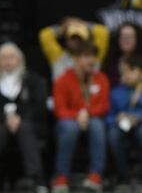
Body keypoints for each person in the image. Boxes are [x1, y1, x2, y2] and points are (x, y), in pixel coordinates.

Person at [0, 42, 48, 193]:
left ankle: (36, 179)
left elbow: (39, 107)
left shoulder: (33, 81)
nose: (7, 61)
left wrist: (19, 118)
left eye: (11, 57)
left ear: (20, 60)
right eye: (3, 58)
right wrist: (5, 119)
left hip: (29, 127)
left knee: (25, 128)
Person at [52, 41, 110, 193]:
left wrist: (87, 113)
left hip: (92, 119)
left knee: (97, 124)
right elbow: (59, 110)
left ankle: (96, 175)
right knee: (69, 127)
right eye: (86, 56)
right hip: (70, 121)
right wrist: (78, 115)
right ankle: (61, 176)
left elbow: (104, 106)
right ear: (75, 59)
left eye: (93, 56)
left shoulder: (101, 78)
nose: (91, 60)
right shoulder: (63, 80)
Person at [106, 54, 142, 192]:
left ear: (139, 71)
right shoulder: (115, 92)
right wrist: (116, 118)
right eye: (122, 71)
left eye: (128, 70)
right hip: (120, 125)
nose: (124, 75)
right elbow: (108, 116)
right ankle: (124, 176)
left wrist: (138, 117)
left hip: (139, 124)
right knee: (113, 135)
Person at [40, 17, 110, 82]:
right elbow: (45, 35)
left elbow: (103, 32)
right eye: (73, 38)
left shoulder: (93, 56)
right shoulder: (58, 56)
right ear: (66, 39)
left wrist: (83, 24)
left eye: (80, 38)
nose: (76, 41)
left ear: (86, 39)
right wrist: (62, 28)